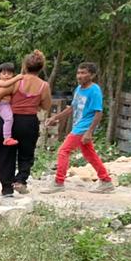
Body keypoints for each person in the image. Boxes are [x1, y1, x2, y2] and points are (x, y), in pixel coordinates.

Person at [43, 61, 114, 193]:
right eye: (78, 72)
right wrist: (55, 117)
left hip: (83, 127)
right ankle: (106, 181)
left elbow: (99, 112)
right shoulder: (78, 89)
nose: (79, 76)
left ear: (91, 75)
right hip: (79, 125)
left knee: (63, 151)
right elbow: (72, 108)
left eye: (83, 73)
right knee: (90, 154)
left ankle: (59, 182)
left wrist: (89, 132)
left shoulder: (94, 90)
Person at [0, 50, 52, 196]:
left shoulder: (17, 81)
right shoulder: (44, 86)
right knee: (26, 154)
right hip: (29, 122)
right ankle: (20, 180)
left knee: (6, 154)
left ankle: (7, 188)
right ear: (41, 67)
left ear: (24, 66)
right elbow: (46, 106)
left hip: (11, 120)